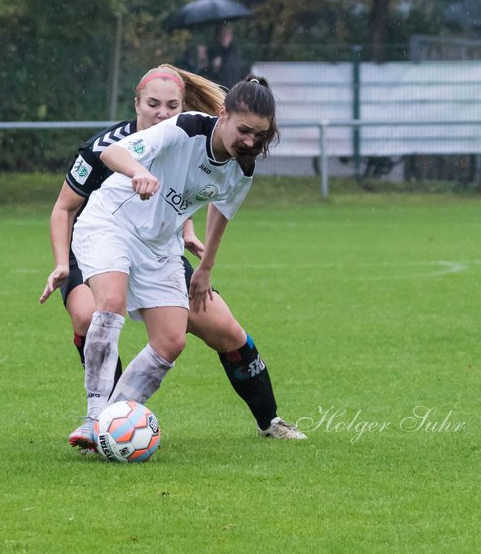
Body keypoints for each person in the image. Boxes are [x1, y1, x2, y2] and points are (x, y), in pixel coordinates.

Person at [39, 65, 305, 446]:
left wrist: (206, 268)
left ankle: (113, 422)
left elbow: (222, 211)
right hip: (112, 223)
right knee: (108, 303)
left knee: (171, 341)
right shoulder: (185, 127)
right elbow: (114, 153)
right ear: (223, 115)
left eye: (259, 135)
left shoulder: (242, 167)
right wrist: (137, 173)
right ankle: (95, 418)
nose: (250, 141)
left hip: (160, 246)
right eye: (244, 131)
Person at [209, 23, 247, 89]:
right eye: (223, 34)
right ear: (218, 36)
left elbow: (242, 71)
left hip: (235, 91)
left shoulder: (236, 52)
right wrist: (214, 68)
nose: (225, 37)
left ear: (231, 36)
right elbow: (206, 75)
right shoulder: (212, 52)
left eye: (227, 34)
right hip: (219, 91)